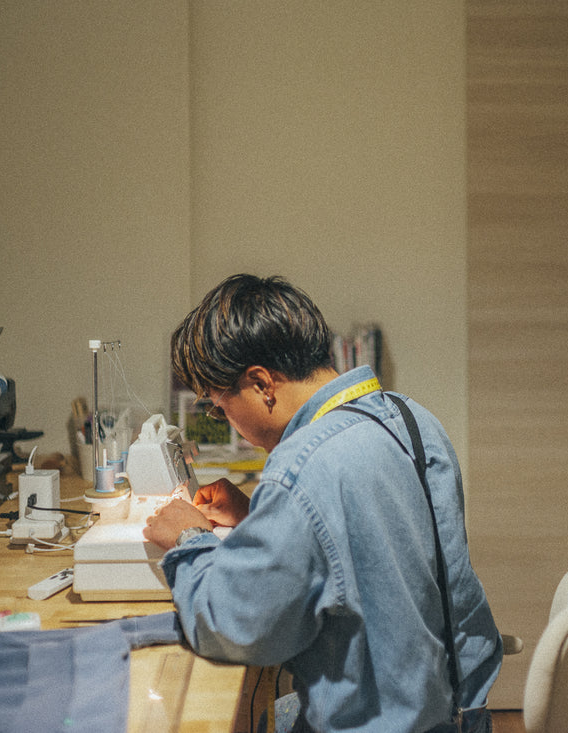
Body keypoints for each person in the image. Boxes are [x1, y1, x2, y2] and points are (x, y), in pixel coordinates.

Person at [144, 274, 503, 733]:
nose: (225, 421)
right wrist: (259, 517)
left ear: (260, 384)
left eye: (218, 407)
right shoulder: (410, 417)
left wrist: (187, 538)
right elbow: (372, 551)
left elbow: (236, 626)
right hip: (460, 712)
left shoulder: (303, 465)